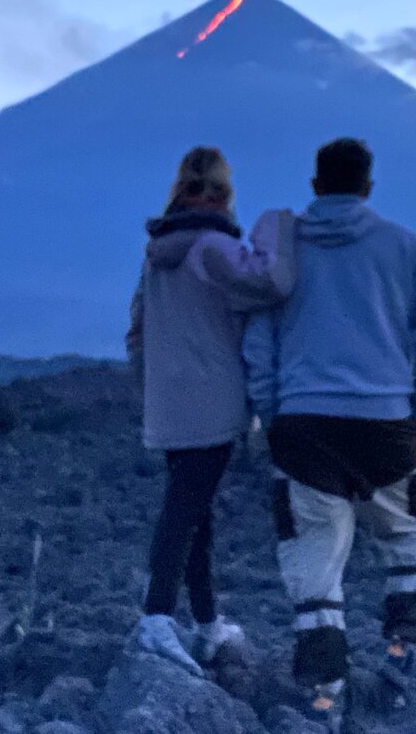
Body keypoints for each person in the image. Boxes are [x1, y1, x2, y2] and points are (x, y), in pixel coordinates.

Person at [244, 138, 416, 727]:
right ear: (368, 185)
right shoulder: (403, 247)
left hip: (305, 431)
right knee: (411, 539)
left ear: (316, 185)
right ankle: (408, 661)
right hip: (387, 426)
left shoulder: (284, 252)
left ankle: (323, 693)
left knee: (313, 561)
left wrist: (273, 415)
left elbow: (259, 343)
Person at [125, 146, 295, 677]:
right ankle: (156, 617)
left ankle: (205, 621)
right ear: (224, 193)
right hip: (213, 399)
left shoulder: (156, 254)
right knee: (186, 509)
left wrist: (150, 388)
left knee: (193, 508)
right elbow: (272, 284)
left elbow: (137, 328)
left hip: (168, 400)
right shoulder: (214, 247)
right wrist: (279, 229)